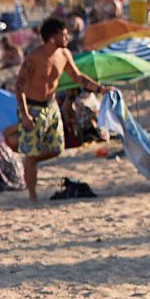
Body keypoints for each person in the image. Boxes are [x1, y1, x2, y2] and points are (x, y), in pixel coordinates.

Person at [14, 17, 105, 201]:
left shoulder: (64, 54)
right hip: (32, 107)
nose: (68, 38)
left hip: (51, 106)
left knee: (57, 148)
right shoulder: (34, 58)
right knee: (31, 153)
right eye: (64, 35)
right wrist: (24, 114)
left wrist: (101, 89)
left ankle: (31, 161)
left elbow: (77, 77)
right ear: (52, 38)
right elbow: (19, 87)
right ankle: (32, 196)